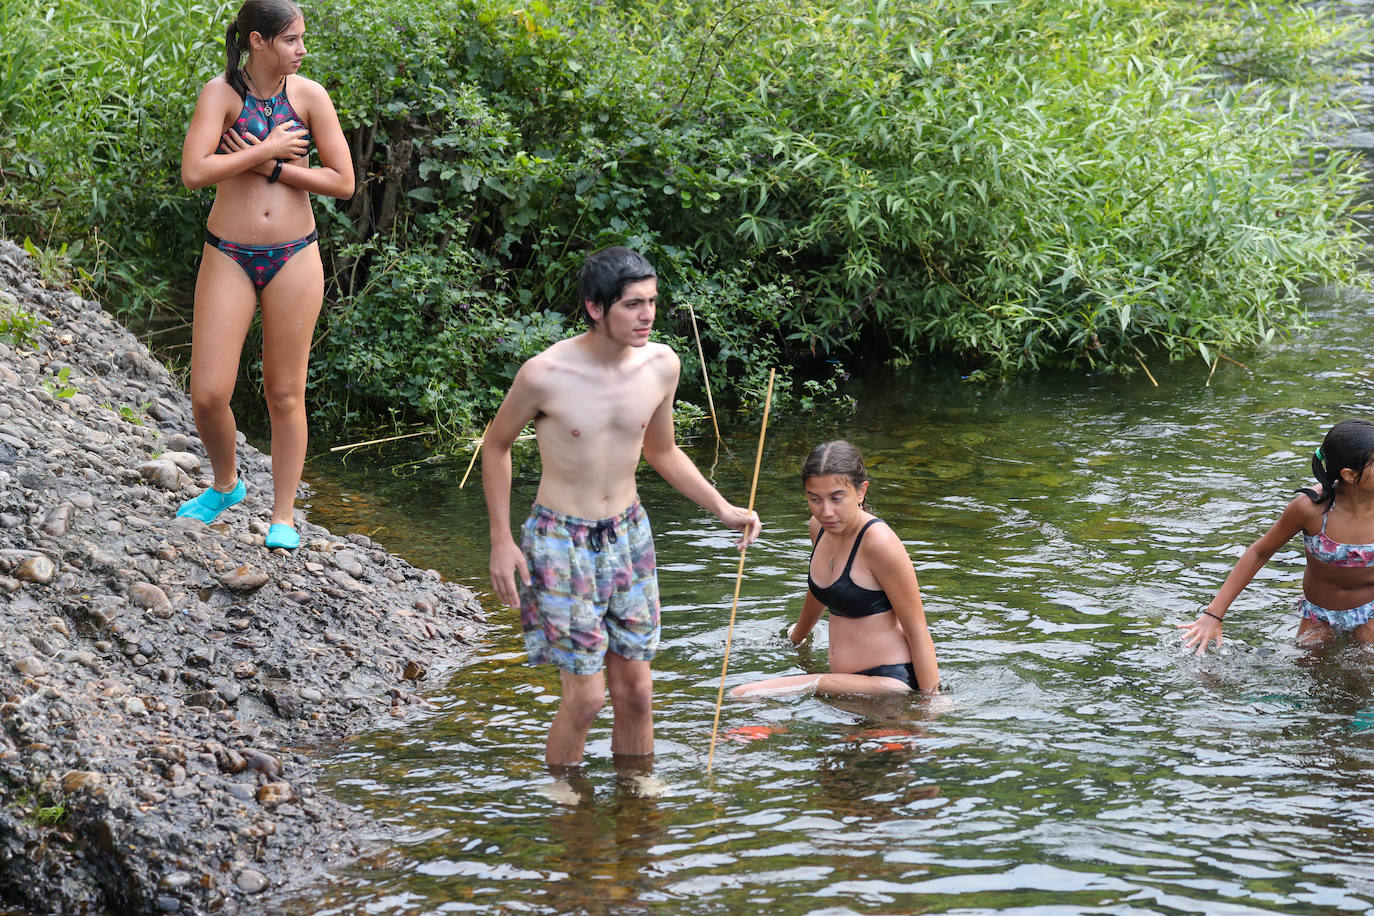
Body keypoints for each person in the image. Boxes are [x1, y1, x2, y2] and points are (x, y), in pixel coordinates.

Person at [483, 246, 762, 769]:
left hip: (629, 534)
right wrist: (501, 540)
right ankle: (565, 797)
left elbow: (662, 451)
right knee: (587, 700)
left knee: (636, 692)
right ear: (595, 308)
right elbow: (496, 446)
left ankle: (636, 799)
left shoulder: (661, 366)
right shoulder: (544, 374)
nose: (647, 315)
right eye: (633, 304)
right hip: (560, 540)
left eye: (652, 302)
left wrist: (723, 508)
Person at [177, 0, 353, 549]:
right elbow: (194, 171)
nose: (302, 50)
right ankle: (226, 485)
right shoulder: (221, 95)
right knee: (208, 394)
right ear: (258, 41)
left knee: (284, 391)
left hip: (294, 255)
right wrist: (269, 148)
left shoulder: (310, 97)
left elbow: (343, 181)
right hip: (228, 253)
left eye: (302, 39)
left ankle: (283, 516)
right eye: (292, 40)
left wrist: (272, 164)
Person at [732, 440, 940, 697]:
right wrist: (795, 639)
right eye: (815, 499)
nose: (826, 511)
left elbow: (917, 630)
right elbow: (823, 590)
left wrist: (930, 703)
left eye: (836, 498)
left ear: (861, 491)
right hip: (846, 684)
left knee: (743, 695)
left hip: (889, 683)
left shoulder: (879, 542)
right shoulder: (819, 528)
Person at [1181, 419, 1374, 654]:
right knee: (1309, 661)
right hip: (1319, 613)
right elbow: (1259, 553)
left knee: (1365, 666)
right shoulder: (1311, 509)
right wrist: (1213, 615)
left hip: (1370, 610)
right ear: (1350, 475)